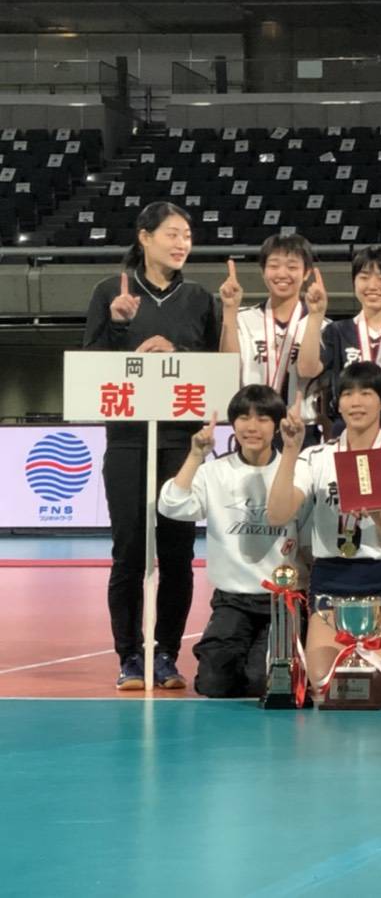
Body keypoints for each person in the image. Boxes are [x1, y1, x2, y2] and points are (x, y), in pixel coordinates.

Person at [83, 201, 220, 690]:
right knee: (128, 554)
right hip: (127, 441)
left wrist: (176, 353)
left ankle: (165, 655)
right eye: (172, 233)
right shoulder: (110, 292)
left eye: (187, 235)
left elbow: (215, 367)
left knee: (178, 555)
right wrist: (118, 325)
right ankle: (129, 656)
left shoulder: (201, 298)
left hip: (182, 444)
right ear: (144, 236)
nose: (182, 243)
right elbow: (92, 367)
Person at [266, 362, 381, 690]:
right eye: (348, 394)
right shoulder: (315, 457)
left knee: (378, 684)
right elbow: (277, 514)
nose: (356, 402)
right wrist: (290, 451)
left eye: (367, 393)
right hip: (330, 580)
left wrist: (379, 516)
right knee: (324, 684)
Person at [158, 385, 305, 698]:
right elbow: (172, 506)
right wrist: (195, 455)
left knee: (263, 682)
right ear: (233, 423)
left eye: (263, 419)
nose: (252, 427)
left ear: (278, 425)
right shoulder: (214, 472)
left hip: (282, 601)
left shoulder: (296, 469)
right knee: (214, 684)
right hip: (231, 601)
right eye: (243, 418)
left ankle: (268, 658)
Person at [296, 244, 381, 453]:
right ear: (354, 282)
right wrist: (315, 316)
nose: (372, 285)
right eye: (364, 277)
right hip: (347, 435)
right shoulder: (338, 331)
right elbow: (306, 369)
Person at [219, 233, 324, 444]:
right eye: (274, 266)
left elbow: (308, 370)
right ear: (263, 271)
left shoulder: (322, 325)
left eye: (292, 267)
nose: (282, 273)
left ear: (306, 273)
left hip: (301, 428)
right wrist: (229, 310)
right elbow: (227, 368)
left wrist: (315, 316)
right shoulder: (243, 319)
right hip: (252, 426)